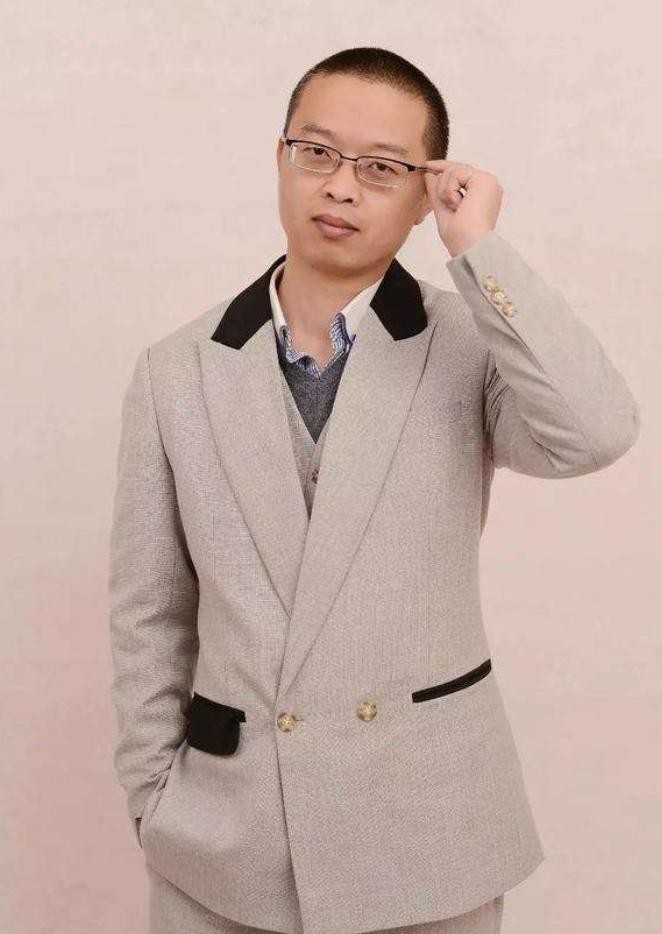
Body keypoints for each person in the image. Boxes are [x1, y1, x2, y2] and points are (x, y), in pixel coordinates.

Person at [108, 46, 640, 934]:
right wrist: (154, 800)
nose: (341, 186)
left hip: (429, 833)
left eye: (382, 168)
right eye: (316, 152)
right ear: (280, 156)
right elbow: (148, 614)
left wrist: (480, 249)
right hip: (225, 844)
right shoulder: (177, 371)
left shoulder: (468, 346)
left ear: (426, 191)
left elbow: (596, 431)